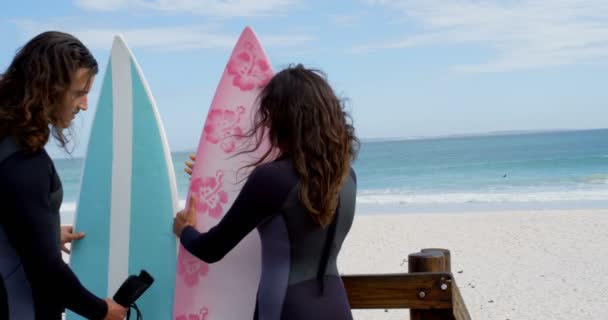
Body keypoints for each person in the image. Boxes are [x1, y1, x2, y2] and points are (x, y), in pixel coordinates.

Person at [174, 64, 359, 319]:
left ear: (283, 119)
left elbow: (212, 249)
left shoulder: (271, 178)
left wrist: (184, 230)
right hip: (336, 306)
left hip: (286, 308)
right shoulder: (347, 178)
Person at [0, 31, 127, 320]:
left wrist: (38, 233)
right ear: (49, 88)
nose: (84, 106)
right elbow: (45, 269)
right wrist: (102, 309)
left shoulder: (5, 142)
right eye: (79, 92)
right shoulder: (24, 161)